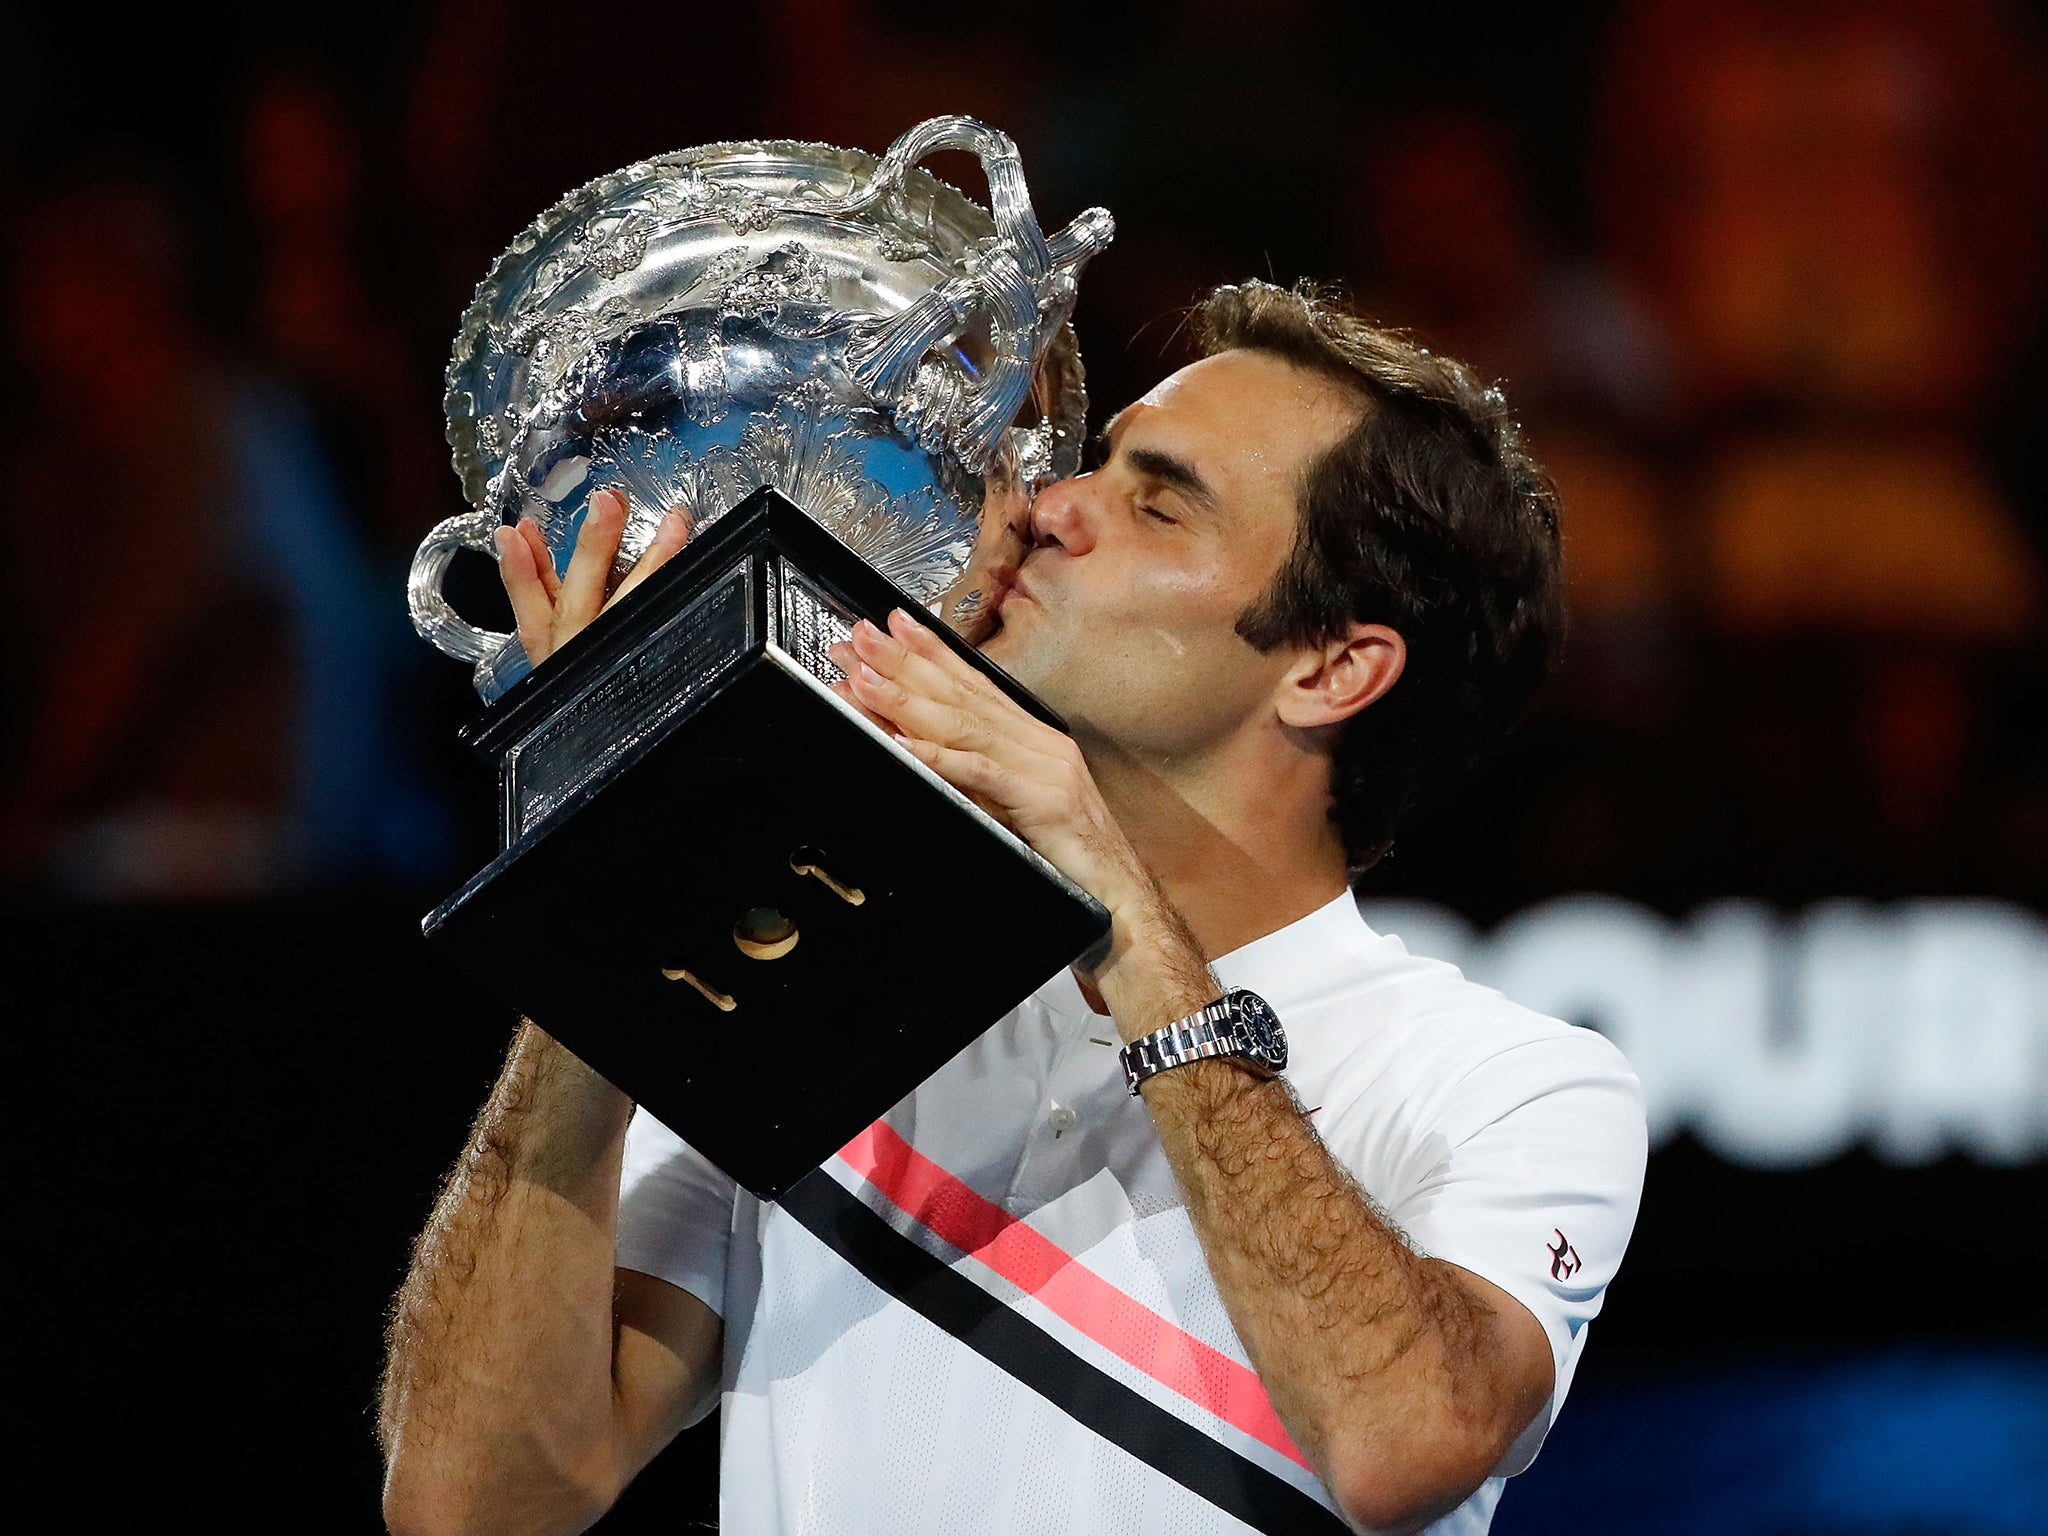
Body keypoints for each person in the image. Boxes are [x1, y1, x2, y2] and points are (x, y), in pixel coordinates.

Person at [378, 280, 1646, 1535]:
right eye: (1094, 466)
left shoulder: (1513, 1083)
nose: (1045, 508)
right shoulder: (812, 970)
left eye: (1156, 504)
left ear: (1331, 668)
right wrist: (612, 870)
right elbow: (475, 1501)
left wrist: (1118, 912)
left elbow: (1400, 1449)